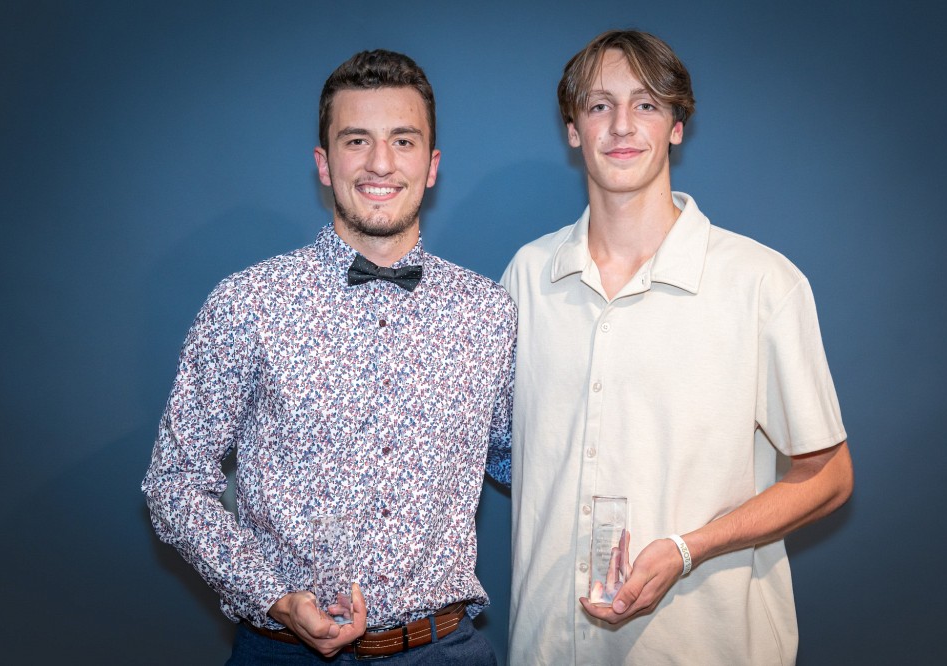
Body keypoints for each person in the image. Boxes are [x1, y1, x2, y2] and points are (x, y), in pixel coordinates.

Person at [142, 49, 515, 665]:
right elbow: (175, 482)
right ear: (323, 163)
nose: (380, 163)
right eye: (356, 140)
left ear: (431, 166)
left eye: (403, 141)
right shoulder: (248, 303)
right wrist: (273, 596)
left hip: (444, 651)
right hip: (282, 653)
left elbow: (525, 461)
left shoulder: (489, 312)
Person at [500, 30, 854, 664]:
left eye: (646, 104)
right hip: (548, 646)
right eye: (599, 105)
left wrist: (689, 549)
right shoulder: (527, 277)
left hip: (705, 645)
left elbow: (828, 476)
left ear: (676, 126)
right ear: (574, 130)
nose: (622, 125)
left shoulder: (761, 284)